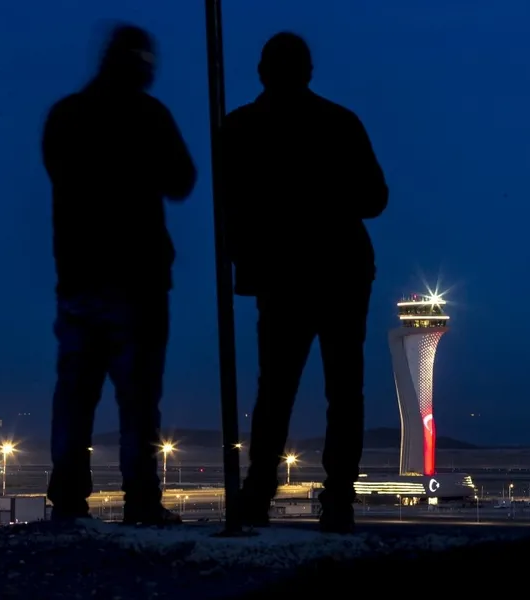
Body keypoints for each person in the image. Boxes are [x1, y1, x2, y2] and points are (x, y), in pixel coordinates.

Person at [223, 32, 388, 533]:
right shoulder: (339, 122)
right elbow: (375, 198)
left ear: (262, 71)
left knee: (275, 388)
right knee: (344, 388)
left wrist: (248, 253)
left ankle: (258, 492)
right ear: (308, 72)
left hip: (282, 274)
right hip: (340, 269)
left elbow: (230, 207)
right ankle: (339, 498)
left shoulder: (241, 126)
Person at [42, 24, 196, 525]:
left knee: (75, 394)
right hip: (138, 278)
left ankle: (68, 499)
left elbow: (58, 173)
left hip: (78, 277)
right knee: (138, 399)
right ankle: (141, 499)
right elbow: (182, 179)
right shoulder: (148, 116)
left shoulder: (66, 116)